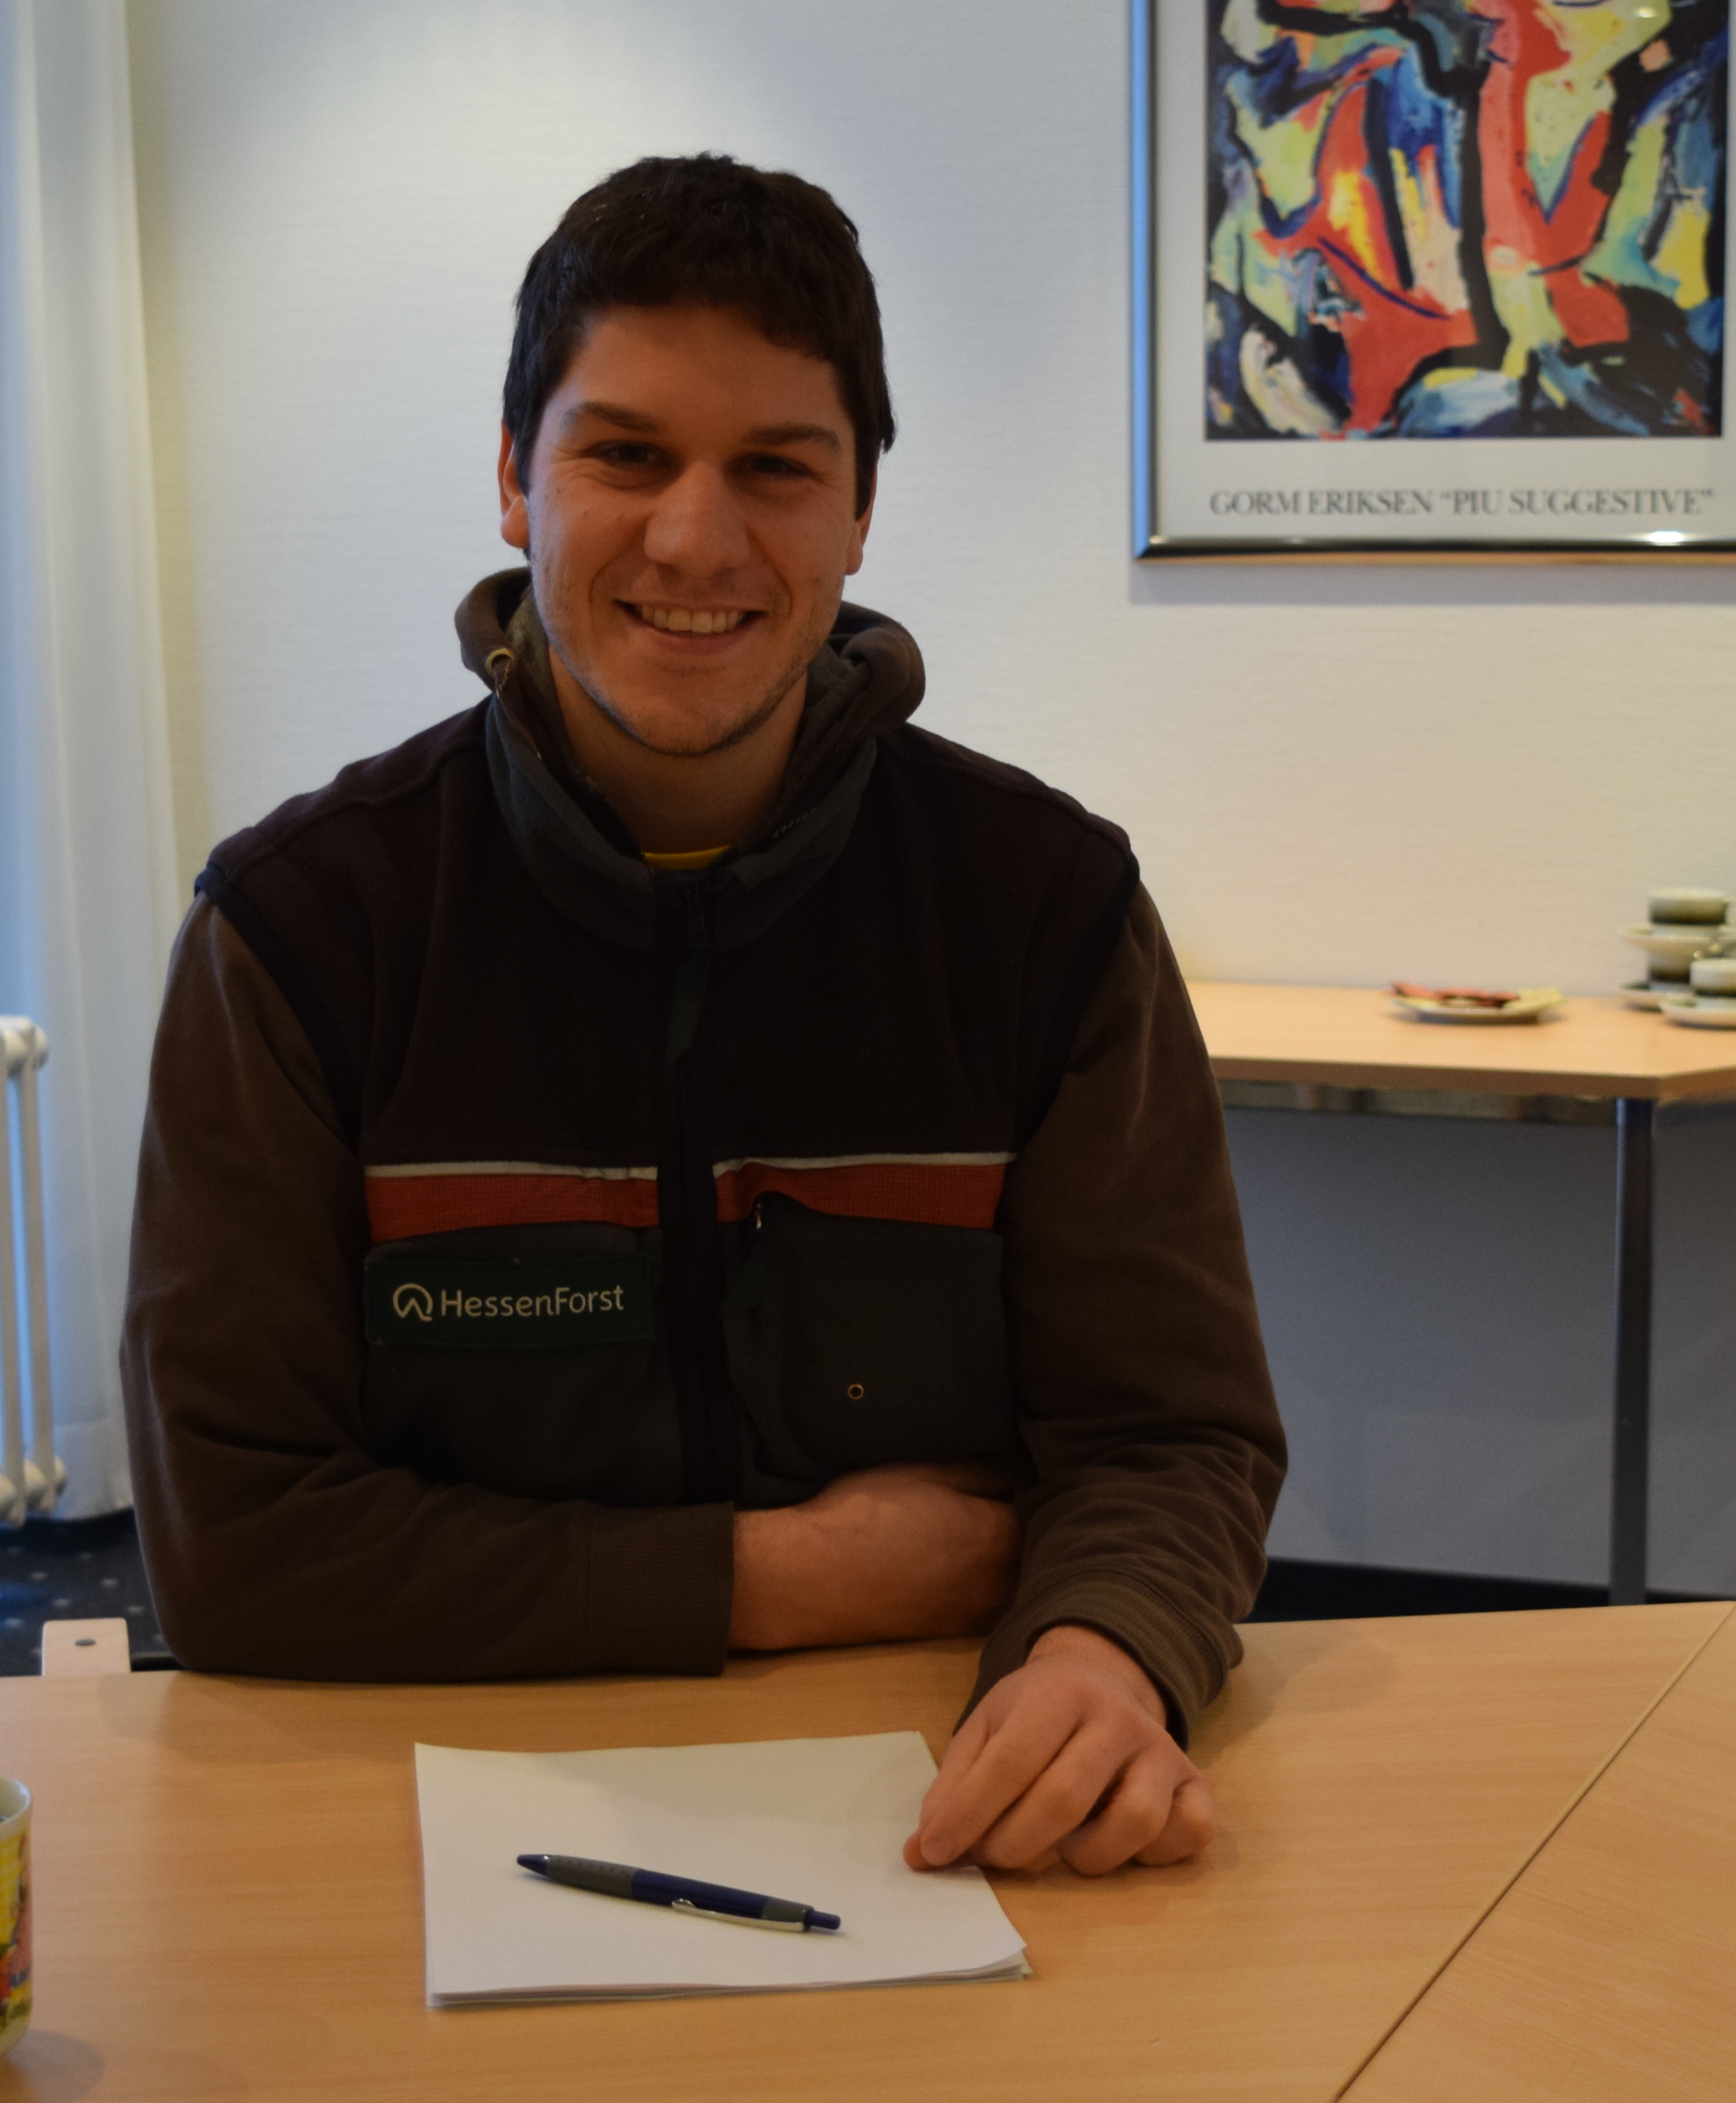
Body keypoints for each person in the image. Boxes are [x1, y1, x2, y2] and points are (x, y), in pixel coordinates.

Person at [121, 155, 1284, 1878]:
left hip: (935, 1796)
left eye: (776, 469)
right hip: (410, 1797)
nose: (694, 538)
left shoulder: (1046, 906)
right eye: (625, 455)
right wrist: (780, 1576)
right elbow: (239, 1541)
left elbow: (1169, 1437)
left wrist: (1105, 1650)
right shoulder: (299, 930)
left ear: (860, 514)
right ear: (513, 482)